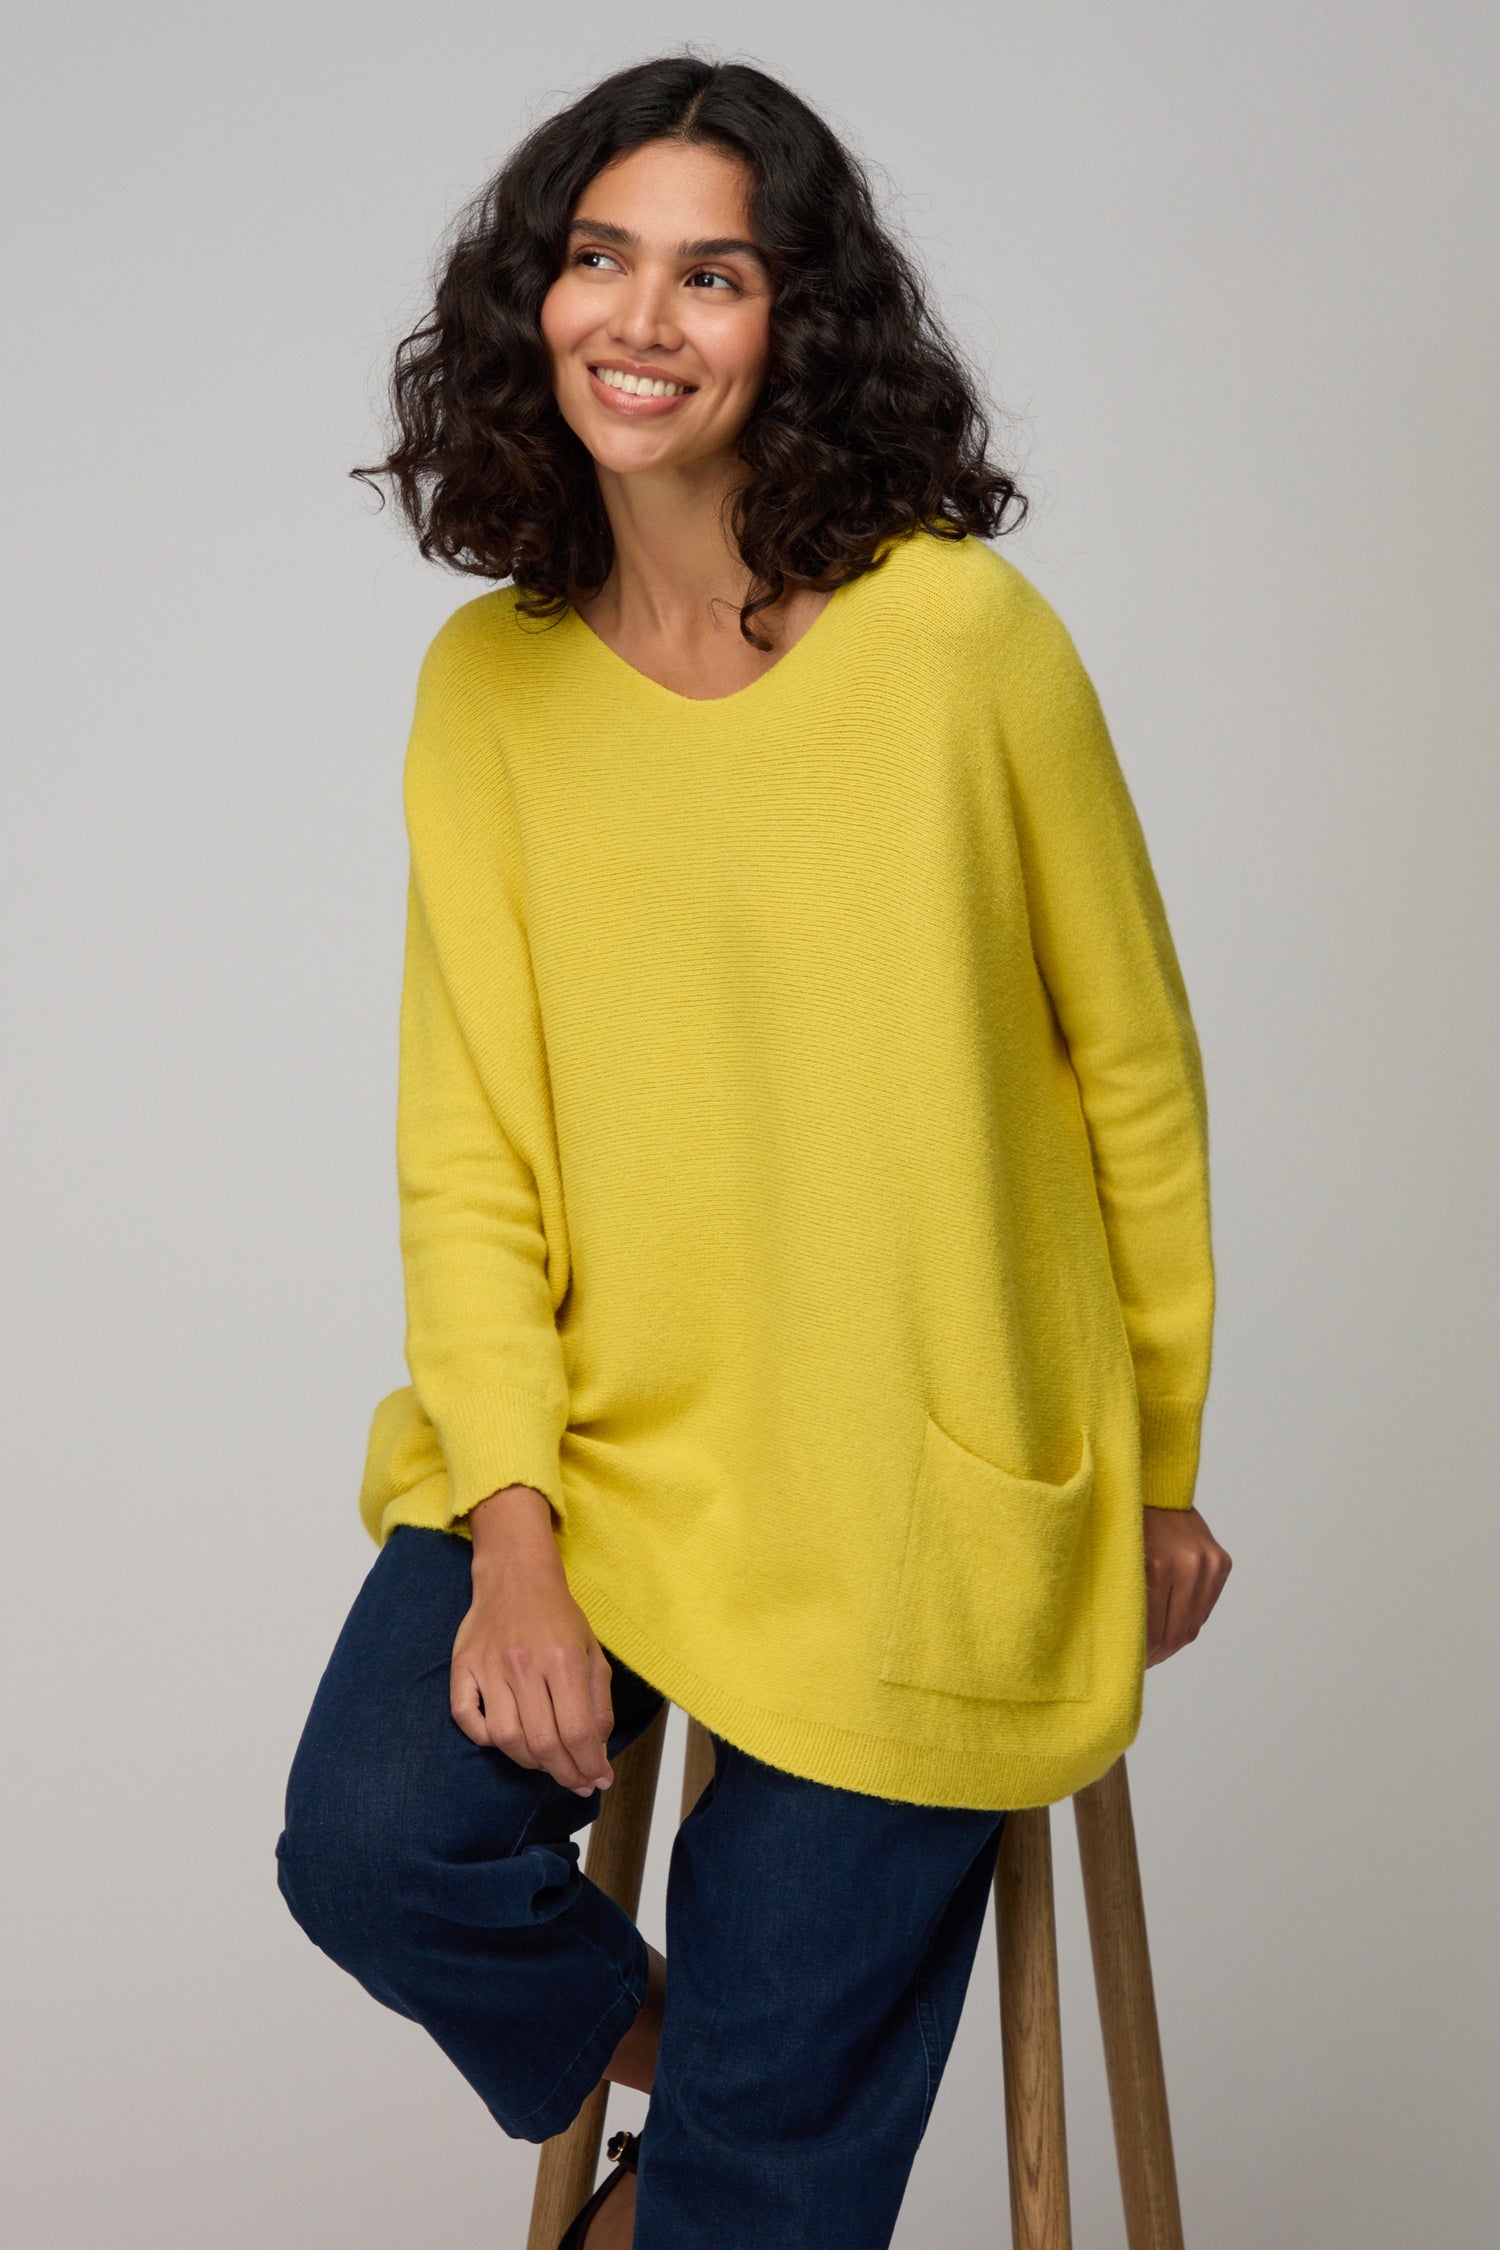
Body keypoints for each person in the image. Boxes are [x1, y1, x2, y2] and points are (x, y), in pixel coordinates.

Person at [274, 52, 1232, 2250]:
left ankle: (709, 2163)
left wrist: (1163, 1463)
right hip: (611, 1455)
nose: (644, 318)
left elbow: (1139, 1076)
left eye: (714, 273)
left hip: (921, 1491)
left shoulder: (961, 641)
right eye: (600, 258)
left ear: (799, 322)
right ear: (532, 301)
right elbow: (471, 1157)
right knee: (377, 1843)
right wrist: (512, 1528)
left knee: (762, 2178)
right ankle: (720, 2090)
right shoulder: (488, 691)